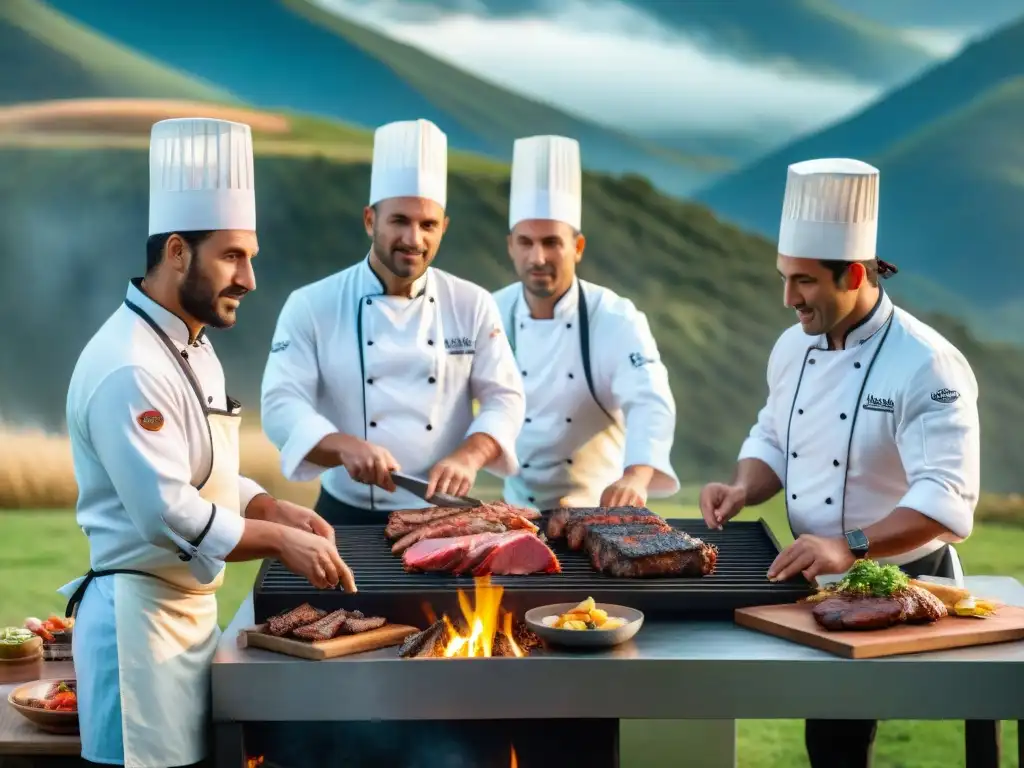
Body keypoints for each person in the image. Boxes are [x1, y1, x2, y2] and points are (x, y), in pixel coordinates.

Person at [59, 117, 355, 768]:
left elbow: (203, 470)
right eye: (232, 256)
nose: (249, 278)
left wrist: (266, 507)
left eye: (251, 257)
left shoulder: (190, 344)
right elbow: (171, 513)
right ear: (175, 252)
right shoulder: (129, 366)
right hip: (138, 631)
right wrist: (281, 542)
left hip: (188, 621)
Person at [698, 158, 981, 768]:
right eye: (783, 277)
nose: (787, 298)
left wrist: (849, 545)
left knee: (860, 732)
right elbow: (774, 437)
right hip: (817, 573)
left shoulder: (928, 363)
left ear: (854, 273)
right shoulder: (792, 346)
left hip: (908, 578)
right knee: (830, 739)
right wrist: (742, 487)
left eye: (803, 282)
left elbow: (944, 497)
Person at [260, 118, 525, 524]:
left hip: (441, 515)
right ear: (370, 220)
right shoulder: (311, 304)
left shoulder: (472, 303)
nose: (414, 239)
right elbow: (281, 404)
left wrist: (469, 456)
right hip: (344, 513)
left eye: (428, 225)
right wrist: (343, 446)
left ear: (443, 228)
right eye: (399, 220)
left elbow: (504, 397)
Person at [492, 134, 679, 510]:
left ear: (577, 248)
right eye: (526, 242)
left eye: (551, 242)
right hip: (514, 512)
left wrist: (635, 477)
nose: (537, 257)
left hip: (598, 510)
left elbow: (649, 400)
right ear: (511, 245)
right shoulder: (490, 310)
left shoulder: (613, 316)